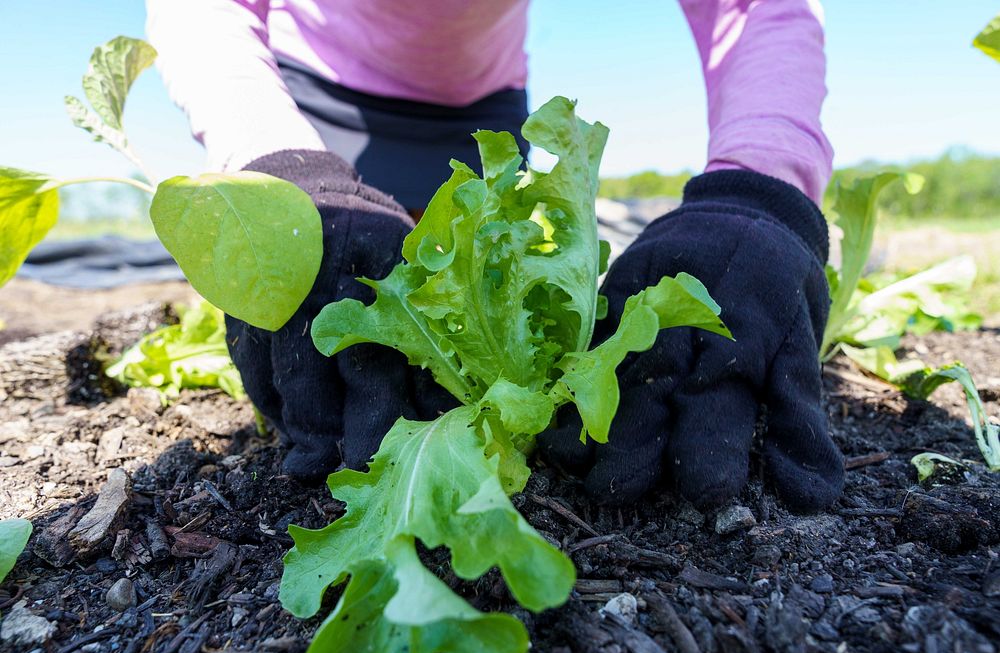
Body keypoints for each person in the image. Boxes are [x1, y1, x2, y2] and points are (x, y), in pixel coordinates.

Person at [146, 0, 844, 513]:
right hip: (312, 89)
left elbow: (753, 9)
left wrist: (760, 190)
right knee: (357, 303)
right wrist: (276, 166)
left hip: (476, 107)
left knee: (461, 283)